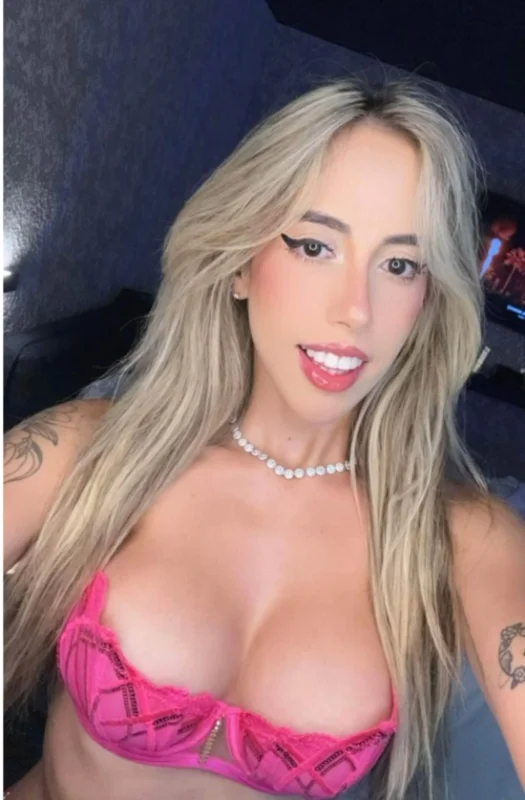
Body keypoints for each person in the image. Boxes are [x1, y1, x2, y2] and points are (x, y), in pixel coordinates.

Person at [4, 76, 525, 800]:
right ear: (241, 262)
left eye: (399, 265)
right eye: (314, 246)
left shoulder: (463, 540)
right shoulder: (91, 452)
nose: (356, 309)